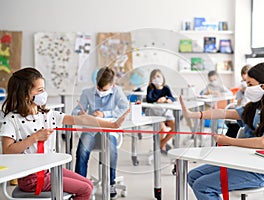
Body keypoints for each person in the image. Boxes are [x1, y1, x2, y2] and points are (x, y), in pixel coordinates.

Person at [0, 67, 129, 200]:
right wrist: (34, 138)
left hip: (49, 169)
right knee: (85, 190)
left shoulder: (47, 114)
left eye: (44, 89)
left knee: (88, 184)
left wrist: (112, 125)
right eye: (39, 90)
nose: (44, 94)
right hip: (32, 177)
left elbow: (82, 119)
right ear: (25, 94)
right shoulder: (11, 119)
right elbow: (7, 151)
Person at [180, 62, 264, 200]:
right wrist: (194, 115)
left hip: (260, 170)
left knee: (202, 186)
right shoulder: (254, 107)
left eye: (250, 84)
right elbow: (225, 113)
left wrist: (228, 141)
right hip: (241, 160)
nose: (247, 89)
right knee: (192, 176)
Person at [72, 67, 129, 199]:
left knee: (111, 150)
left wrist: (105, 114)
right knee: (82, 151)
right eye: (99, 88)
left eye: (105, 89)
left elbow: (125, 109)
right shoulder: (87, 92)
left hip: (109, 129)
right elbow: (75, 111)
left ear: (112, 85)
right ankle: (79, 185)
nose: (101, 91)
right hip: (91, 129)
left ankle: (111, 183)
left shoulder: (117, 92)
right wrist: (81, 114)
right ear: (96, 82)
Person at [146, 69, 175, 153]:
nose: (156, 79)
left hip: (166, 113)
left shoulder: (166, 88)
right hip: (155, 113)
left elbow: (172, 97)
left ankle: (161, 144)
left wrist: (166, 98)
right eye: (154, 77)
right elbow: (149, 99)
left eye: (158, 76)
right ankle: (161, 147)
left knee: (175, 127)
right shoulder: (150, 88)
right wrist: (158, 99)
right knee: (162, 129)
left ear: (162, 78)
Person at [225, 64, 252, 138]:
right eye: (243, 80)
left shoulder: (256, 92)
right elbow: (239, 104)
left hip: (248, 120)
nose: (245, 82)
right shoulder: (240, 92)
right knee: (231, 128)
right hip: (240, 117)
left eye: (247, 81)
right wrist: (243, 92)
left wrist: (247, 91)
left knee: (233, 130)